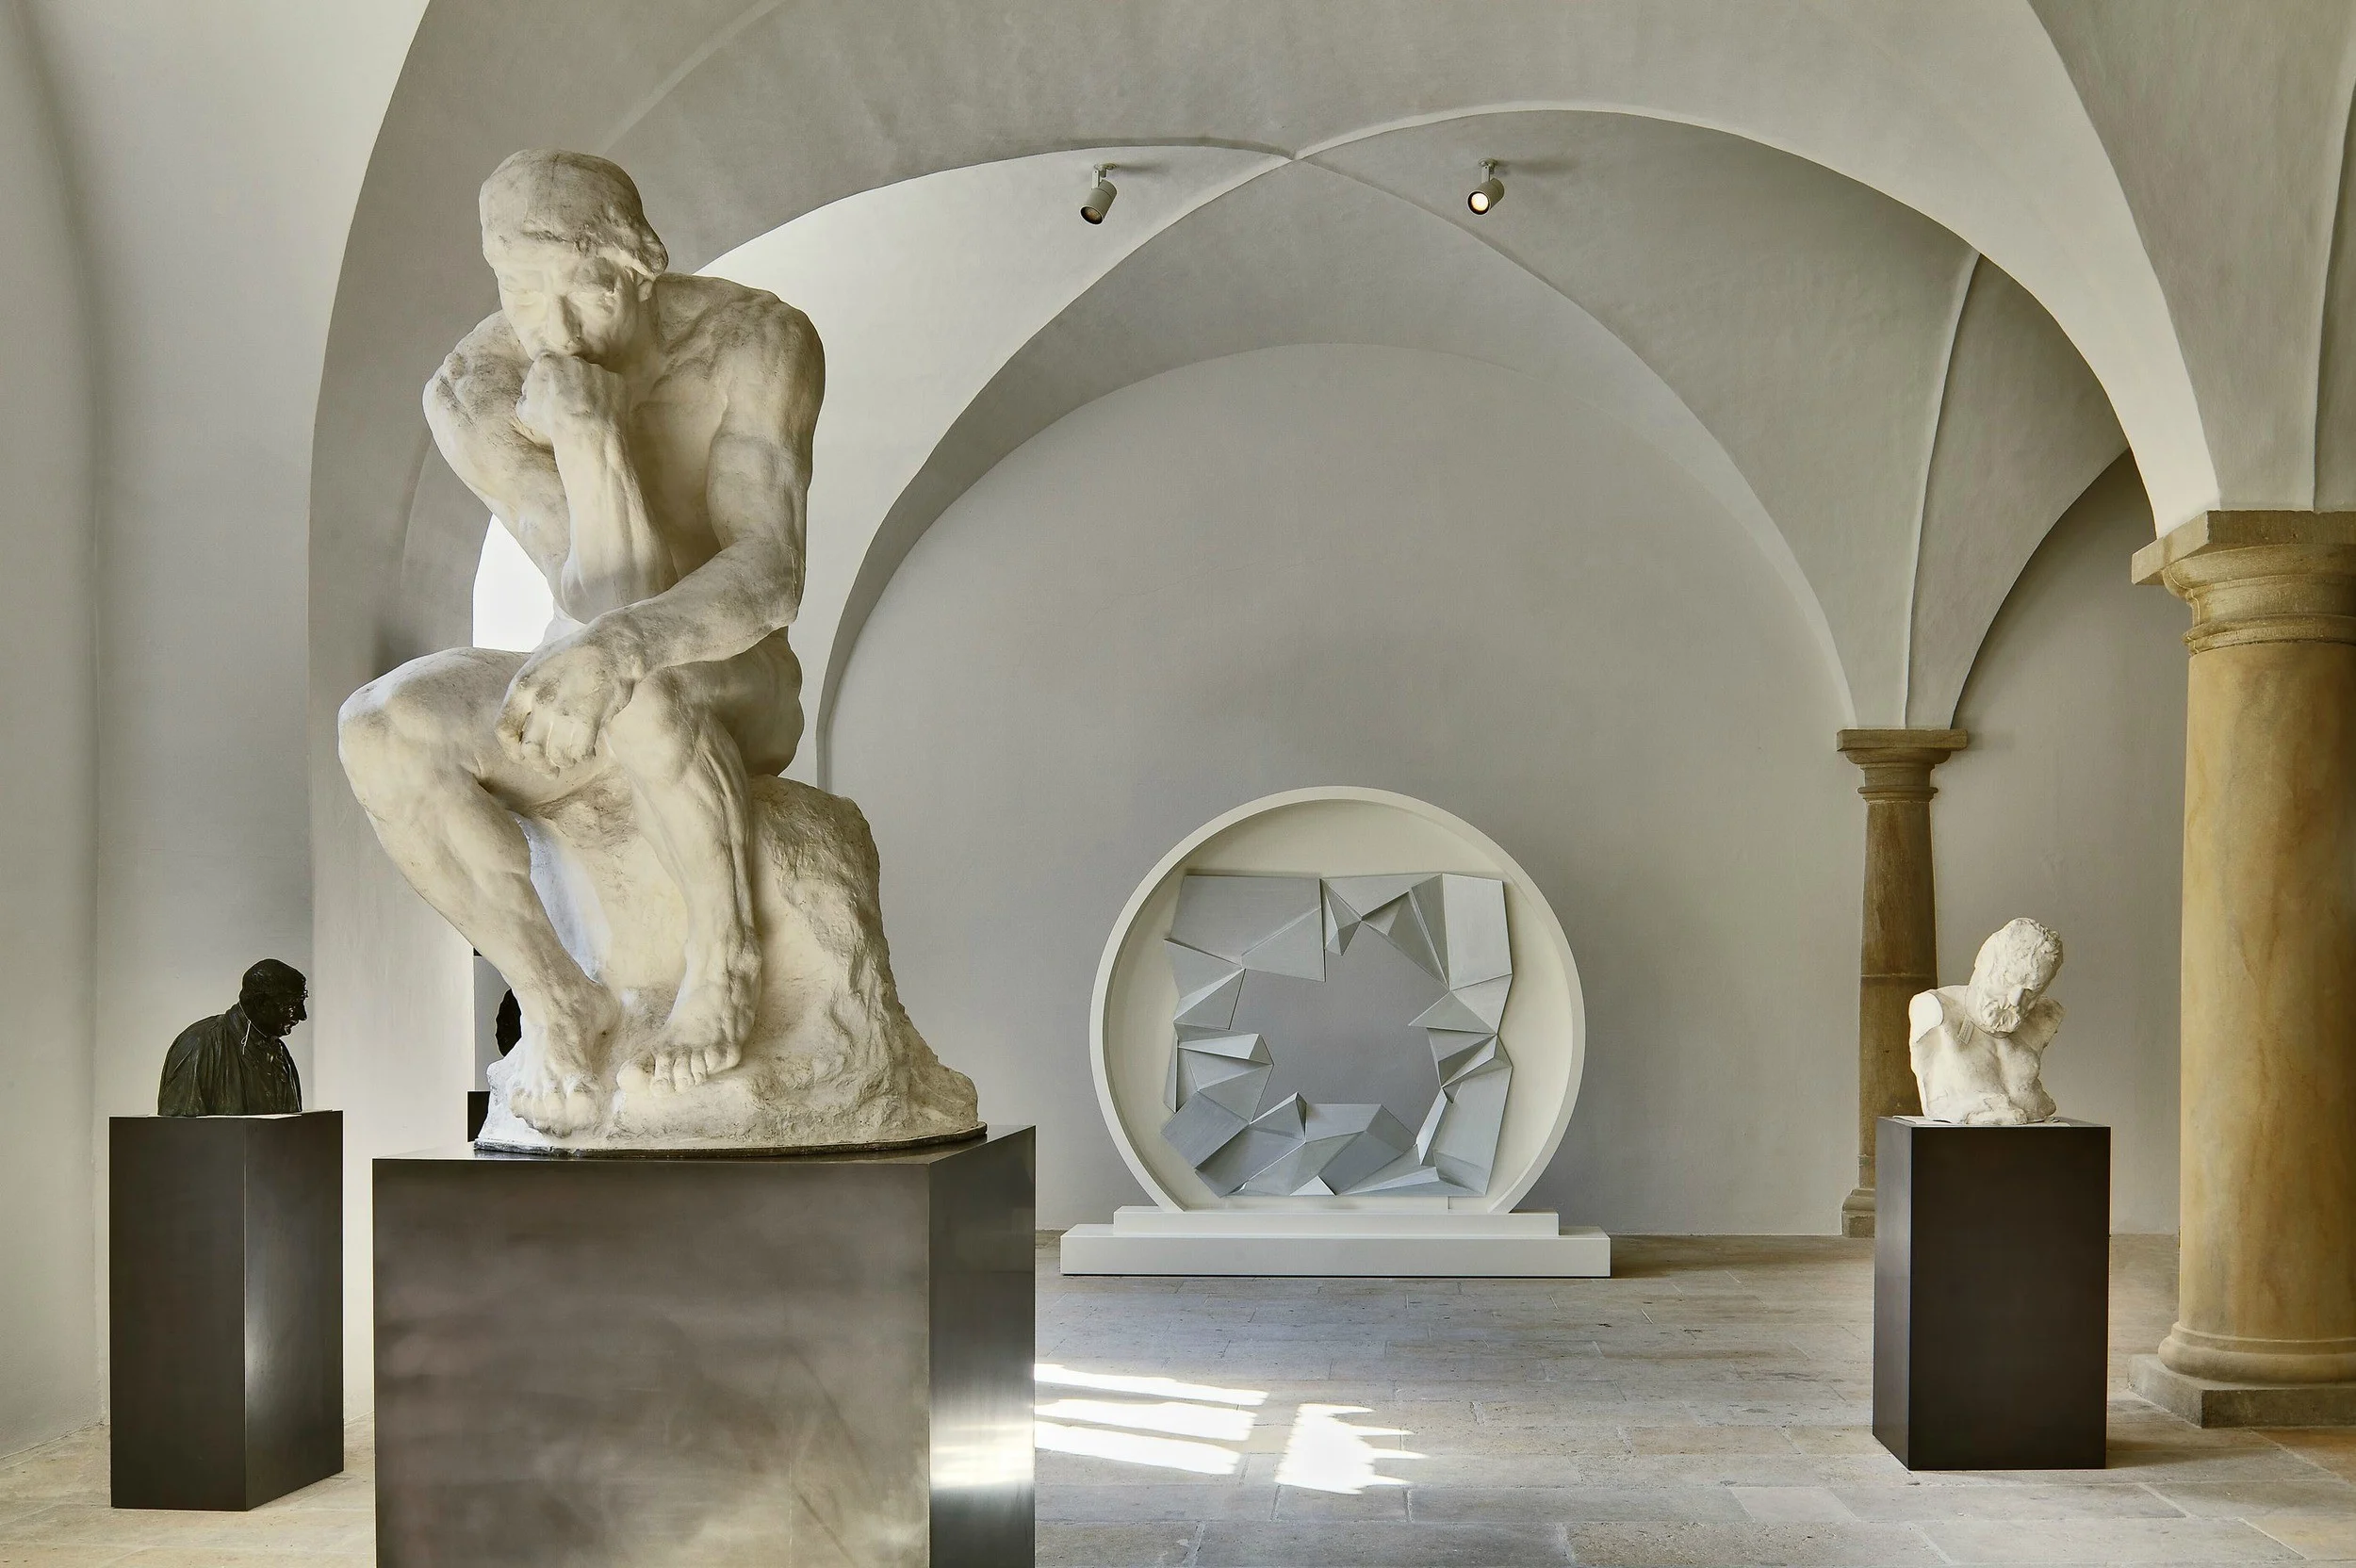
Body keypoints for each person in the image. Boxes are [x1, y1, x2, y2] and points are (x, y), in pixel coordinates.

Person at [337, 150, 821, 1136]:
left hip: (731, 663)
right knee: (381, 727)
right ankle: (559, 998)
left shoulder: (756, 339)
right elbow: (594, 588)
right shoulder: (474, 388)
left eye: (580, 293)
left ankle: (723, 963)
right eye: (522, 295)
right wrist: (583, 440)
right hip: (598, 645)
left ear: (640, 262)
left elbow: (767, 573)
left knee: (642, 681)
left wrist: (619, 638)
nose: (551, 331)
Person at [1907, 918, 2066, 1126]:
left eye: (2031, 991)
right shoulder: (1934, 1009)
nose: (2015, 1000)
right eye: (2007, 980)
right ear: (1984, 961)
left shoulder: (2044, 1017)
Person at [157, 959, 307, 1117]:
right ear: (261, 1003)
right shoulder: (198, 1044)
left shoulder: (280, 1054)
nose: (302, 1015)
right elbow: (177, 1133)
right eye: (293, 1004)